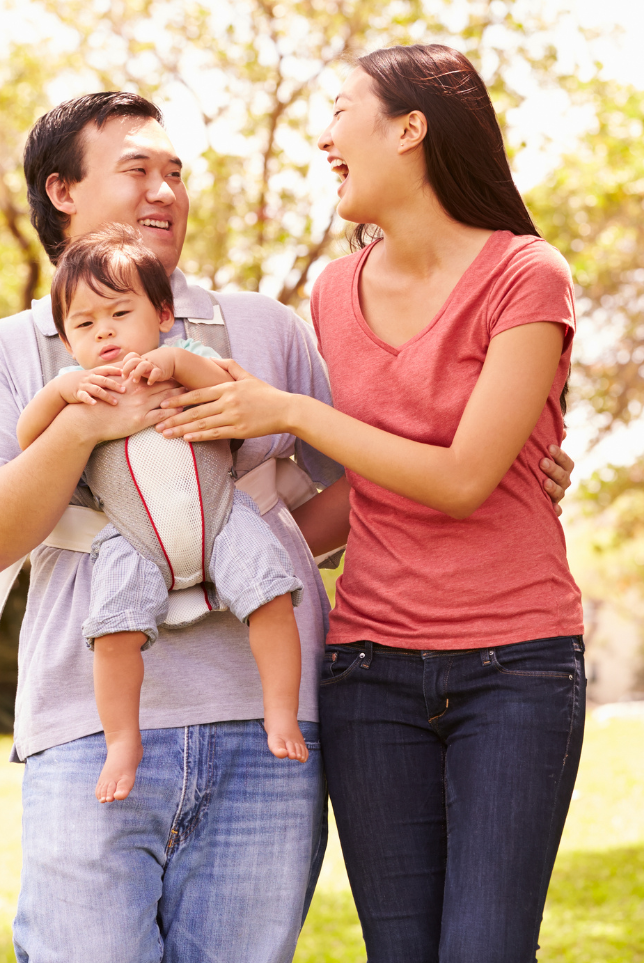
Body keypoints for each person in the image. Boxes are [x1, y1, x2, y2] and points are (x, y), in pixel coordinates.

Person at [155, 44, 583, 963]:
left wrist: (291, 409)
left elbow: (464, 478)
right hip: (369, 669)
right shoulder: (334, 290)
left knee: (485, 948)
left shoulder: (527, 273)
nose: (324, 137)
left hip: (514, 666)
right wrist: (212, 559)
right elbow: (356, 481)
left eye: (342, 110)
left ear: (410, 128)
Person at [0, 91, 340, 963]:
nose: (166, 191)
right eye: (138, 170)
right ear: (63, 191)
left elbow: (354, 484)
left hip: (268, 727)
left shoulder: (265, 328)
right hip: (86, 728)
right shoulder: (2, 352)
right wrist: (85, 423)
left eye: (176, 173)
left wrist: (229, 554)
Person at [17, 224, 308, 805]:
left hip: (221, 517)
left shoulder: (189, 356)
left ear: (163, 313)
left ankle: (281, 712)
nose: (104, 332)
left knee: (272, 599)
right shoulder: (75, 386)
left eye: (120, 313)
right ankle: (123, 740)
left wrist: (175, 362)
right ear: (66, 340)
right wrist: (61, 399)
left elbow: (226, 391)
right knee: (113, 633)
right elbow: (28, 439)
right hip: (134, 537)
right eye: (84, 325)